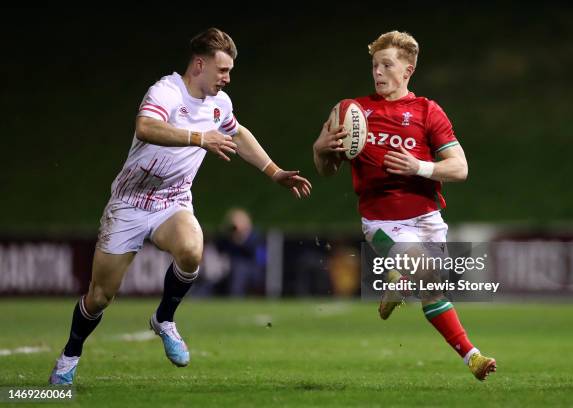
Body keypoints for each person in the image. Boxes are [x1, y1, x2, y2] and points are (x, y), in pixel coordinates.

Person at [49, 27, 312, 385]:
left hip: (172, 201)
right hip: (129, 203)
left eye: (230, 71)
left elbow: (238, 134)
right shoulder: (167, 91)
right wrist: (199, 138)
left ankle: (164, 319)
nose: (227, 78)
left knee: (191, 250)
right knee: (99, 296)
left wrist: (275, 171)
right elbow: (145, 127)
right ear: (199, 64)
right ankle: (70, 355)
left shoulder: (220, 105)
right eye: (222, 70)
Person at [312, 31, 496, 381]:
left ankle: (401, 287)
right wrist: (320, 148)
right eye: (374, 66)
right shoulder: (354, 110)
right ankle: (472, 355)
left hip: (427, 217)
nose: (378, 72)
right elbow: (327, 170)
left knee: (432, 289)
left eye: (386, 65)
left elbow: (460, 168)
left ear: (407, 70)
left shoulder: (428, 111)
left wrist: (419, 167)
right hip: (380, 222)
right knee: (423, 270)